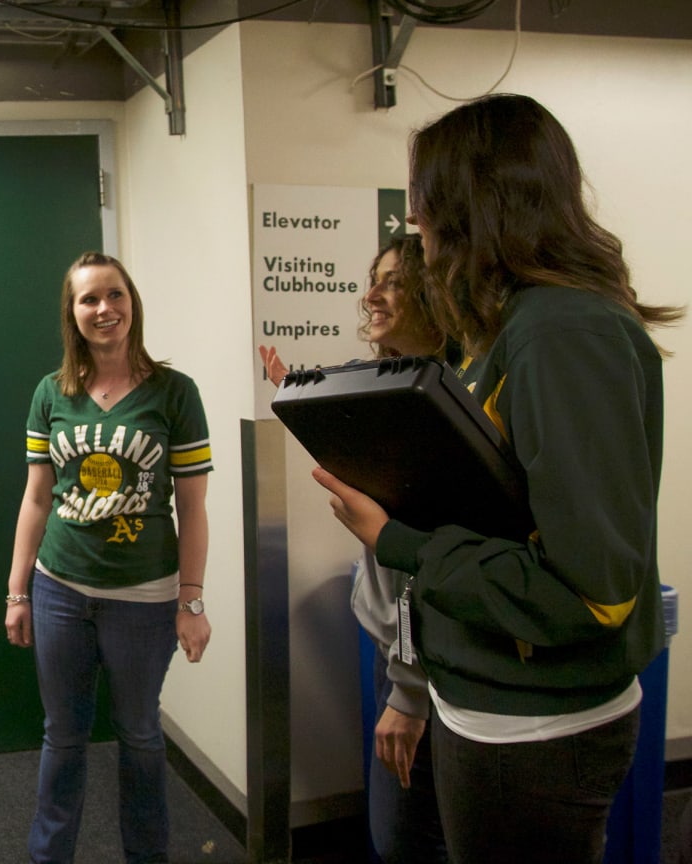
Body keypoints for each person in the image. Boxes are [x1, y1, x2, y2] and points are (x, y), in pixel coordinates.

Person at [312, 93, 682, 864]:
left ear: (469, 201)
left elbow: (594, 590)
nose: (415, 220)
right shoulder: (505, 331)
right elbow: (504, 513)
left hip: (537, 732)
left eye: (424, 199)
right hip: (485, 705)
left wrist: (401, 540)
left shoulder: (562, 333)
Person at [5, 251, 213, 864]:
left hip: (143, 599)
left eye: (115, 295)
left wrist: (191, 600)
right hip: (59, 590)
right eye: (90, 299)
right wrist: (18, 593)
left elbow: (193, 508)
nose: (105, 309)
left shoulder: (175, 393)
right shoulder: (52, 392)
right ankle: (50, 856)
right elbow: (37, 499)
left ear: (132, 302)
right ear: (72, 313)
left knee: (141, 736)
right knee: (62, 738)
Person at [261, 233, 450, 864]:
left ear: (437, 293)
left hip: (420, 664)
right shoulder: (394, 381)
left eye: (394, 282)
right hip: (394, 649)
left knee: (406, 842)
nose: (371, 294)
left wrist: (408, 689)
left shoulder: (444, 403)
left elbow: (422, 562)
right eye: (374, 279)